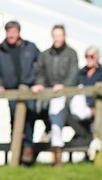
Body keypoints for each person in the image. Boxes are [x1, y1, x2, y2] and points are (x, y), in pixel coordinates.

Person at [0, 20, 41, 164]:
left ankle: (28, 148)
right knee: (14, 119)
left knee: (30, 118)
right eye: (9, 32)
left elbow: (40, 66)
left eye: (14, 31)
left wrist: (37, 83)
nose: (11, 35)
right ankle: (16, 151)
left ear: (19, 32)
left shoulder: (30, 47)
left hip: (29, 89)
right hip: (11, 91)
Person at [31, 25, 80, 166]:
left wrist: (65, 85)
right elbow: (40, 72)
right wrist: (40, 84)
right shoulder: (46, 55)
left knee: (79, 114)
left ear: (64, 36)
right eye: (55, 36)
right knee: (55, 121)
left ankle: (84, 135)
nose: (57, 39)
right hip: (55, 94)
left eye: (60, 35)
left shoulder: (71, 54)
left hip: (72, 92)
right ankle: (57, 157)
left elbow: (73, 73)